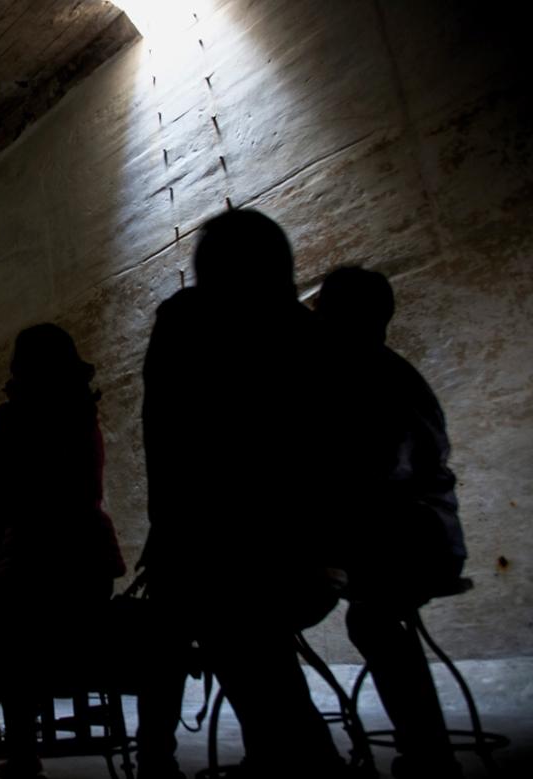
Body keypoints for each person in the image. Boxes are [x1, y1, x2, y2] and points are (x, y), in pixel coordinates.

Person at [136, 209, 344, 776]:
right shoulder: (306, 333)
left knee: (193, 608)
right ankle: (287, 752)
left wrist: (169, 534)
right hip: (310, 563)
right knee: (229, 614)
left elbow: (170, 446)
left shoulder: (186, 322)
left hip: (235, 561)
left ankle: (160, 759)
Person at [0, 323, 125, 779]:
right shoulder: (84, 416)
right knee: (11, 630)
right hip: (90, 572)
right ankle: (18, 752)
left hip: (29, 568)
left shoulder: (15, 418)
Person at [316, 266, 467, 779]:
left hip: (414, 539)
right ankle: (426, 749)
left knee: (370, 618)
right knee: (372, 616)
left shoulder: (368, 378)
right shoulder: (388, 371)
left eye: (323, 310)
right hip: (425, 535)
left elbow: (376, 476)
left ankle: (427, 753)